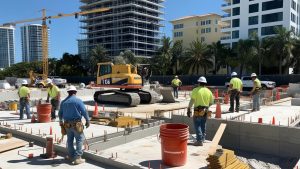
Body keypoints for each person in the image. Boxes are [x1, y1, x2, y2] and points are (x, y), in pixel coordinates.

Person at [58, 85, 90, 165]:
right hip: (76, 124)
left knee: (69, 140)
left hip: (67, 124)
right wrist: (87, 120)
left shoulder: (63, 102)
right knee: (79, 140)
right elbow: (84, 111)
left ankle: (71, 156)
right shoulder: (78, 100)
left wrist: (61, 121)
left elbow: (60, 113)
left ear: (68, 92)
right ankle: (77, 158)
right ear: (75, 92)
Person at [187, 76, 213, 146]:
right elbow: (211, 102)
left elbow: (192, 100)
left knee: (197, 124)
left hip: (198, 110)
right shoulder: (209, 91)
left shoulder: (195, 90)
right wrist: (206, 107)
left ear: (199, 82)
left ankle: (199, 141)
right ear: (205, 83)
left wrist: (189, 108)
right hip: (206, 109)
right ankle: (203, 138)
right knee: (203, 124)